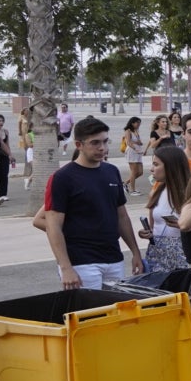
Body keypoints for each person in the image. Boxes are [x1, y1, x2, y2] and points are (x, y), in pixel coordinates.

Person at [43, 117, 145, 289]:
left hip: (114, 259)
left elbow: (122, 217)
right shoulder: (62, 178)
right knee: (89, 307)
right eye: (95, 143)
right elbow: (53, 226)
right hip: (81, 263)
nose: (102, 148)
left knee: (116, 306)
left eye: (105, 141)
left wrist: (135, 252)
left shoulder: (112, 171)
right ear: (79, 145)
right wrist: (66, 267)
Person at [140, 145, 191, 275]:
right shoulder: (157, 191)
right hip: (157, 253)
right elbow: (153, 227)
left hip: (182, 254)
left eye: (156, 164)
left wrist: (182, 225)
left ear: (171, 166)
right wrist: (146, 233)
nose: (151, 169)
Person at [121, 116, 146, 194]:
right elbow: (128, 142)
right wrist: (135, 148)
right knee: (134, 171)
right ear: (132, 123)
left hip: (138, 152)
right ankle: (133, 190)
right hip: (132, 152)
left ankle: (125, 183)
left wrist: (139, 143)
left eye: (139, 123)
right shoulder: (128, 131)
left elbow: (136, 141)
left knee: (140, 172)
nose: (139, 124)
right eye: (137, 123)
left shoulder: (136, 130)